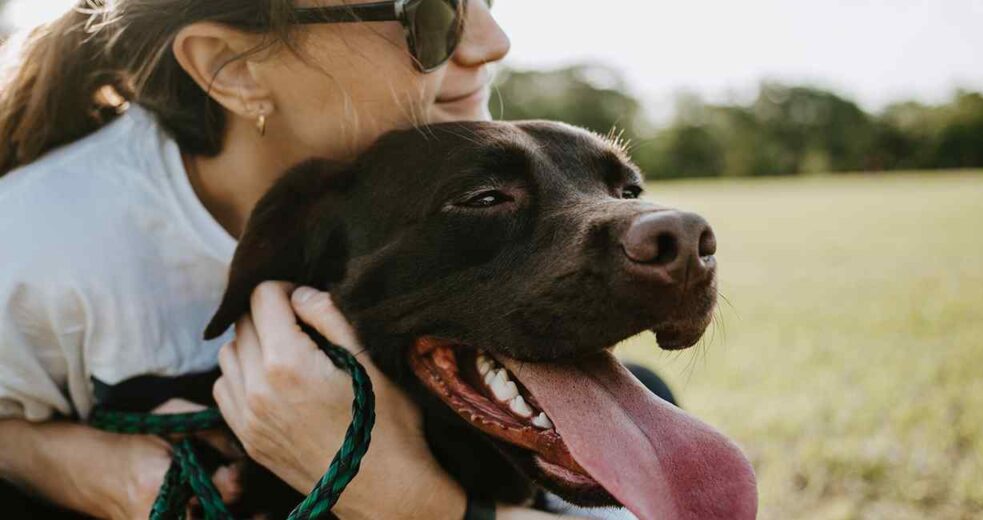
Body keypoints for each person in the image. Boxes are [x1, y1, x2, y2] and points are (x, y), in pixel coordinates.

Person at [0, 0, 593, 517]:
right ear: (230, 69)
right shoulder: (35, 241)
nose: (492, 41)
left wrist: (403, 497)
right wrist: (72, 466)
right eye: (428, 13)